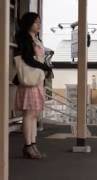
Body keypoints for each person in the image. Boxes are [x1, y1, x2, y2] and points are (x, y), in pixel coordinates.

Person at [13, 12, 53, 159]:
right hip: (29, 81)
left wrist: (44, 68)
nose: (39, 25)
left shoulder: (35, 39)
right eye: (36, 22)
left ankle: (32, 145)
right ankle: (29, 145)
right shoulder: (23, 39)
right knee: (29, 114)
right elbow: (28, 59)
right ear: (28, 23)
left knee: (34, 114)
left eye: (39, 22)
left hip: (36, 81)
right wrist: (45, 68)